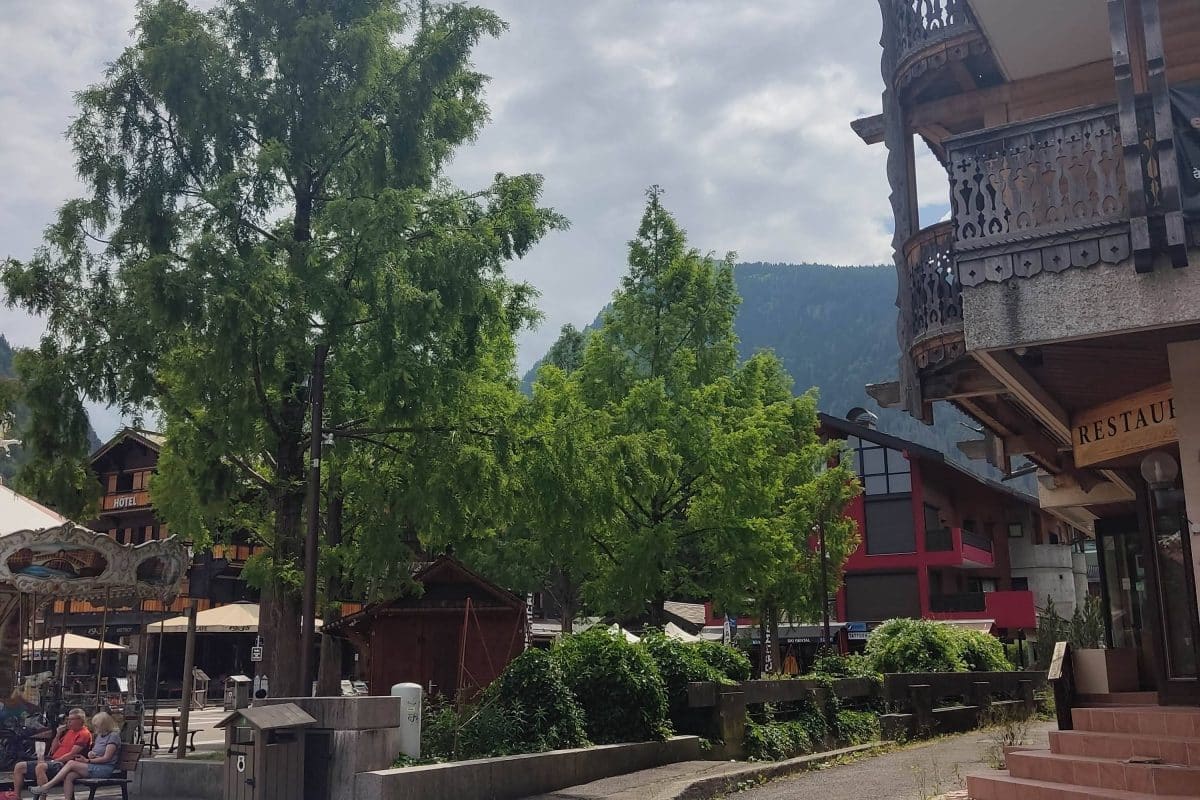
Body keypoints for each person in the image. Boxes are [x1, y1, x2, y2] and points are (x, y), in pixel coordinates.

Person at [2, 708, 91, 800]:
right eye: (68, 719)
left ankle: (42, 798)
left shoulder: (83, 733)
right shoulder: (69, 732)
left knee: (41, 767)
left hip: (65, 764)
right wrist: (58, 734)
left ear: (80, 720)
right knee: (19, 766)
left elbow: (72, 754)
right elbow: (53, 750)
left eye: (71, 719)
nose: (68, 722)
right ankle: (16, 797)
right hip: (54, 759)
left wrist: (55, 760)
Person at [29, 712, 120, 800]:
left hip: (104, 769)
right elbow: (97, 752)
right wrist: (91, 754)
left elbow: (106, 758)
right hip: (94, 765)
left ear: (104, 725)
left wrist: (87, 760)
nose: (96, 728)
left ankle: (46, 787)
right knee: (69, 775)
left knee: (71, 763)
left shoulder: (113, 736)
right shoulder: (100, 736)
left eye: (97, 726)